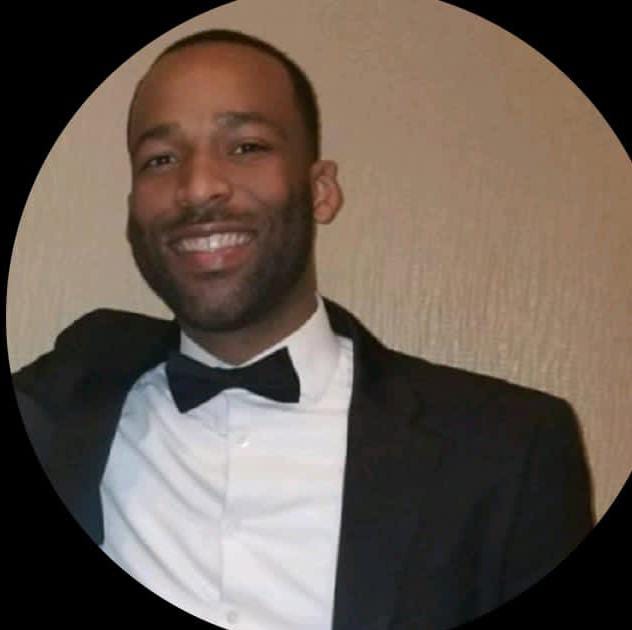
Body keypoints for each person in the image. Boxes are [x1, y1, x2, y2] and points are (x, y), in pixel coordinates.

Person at [12, 29, 594, 630]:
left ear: (320, 190)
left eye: (246, 147)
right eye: (161, 159)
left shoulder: (509, 449)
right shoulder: (72, 390)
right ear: (134, 205)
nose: (198, 186)